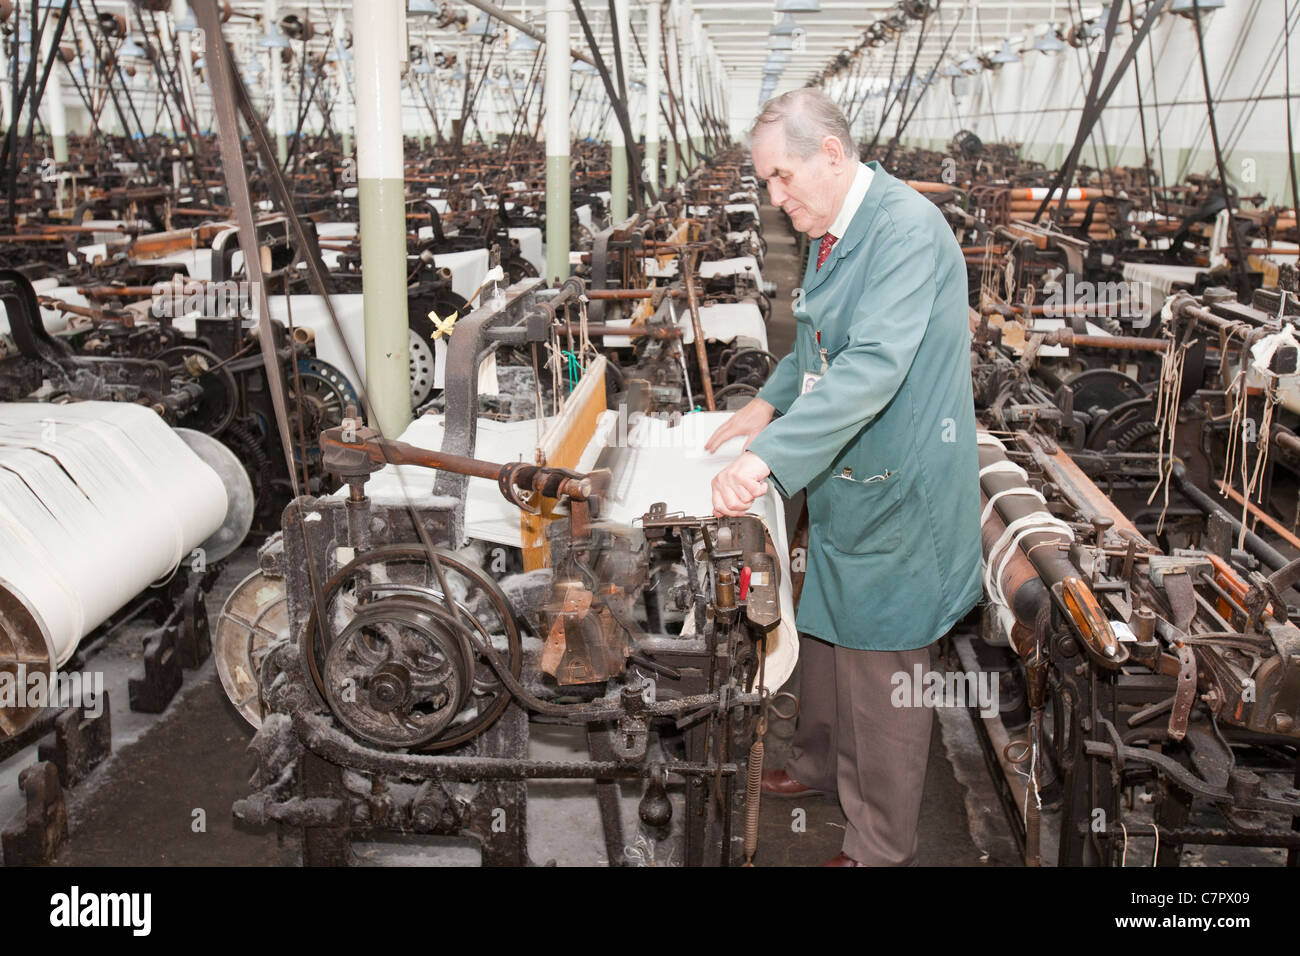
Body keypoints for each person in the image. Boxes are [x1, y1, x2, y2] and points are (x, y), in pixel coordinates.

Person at [706, 88, 982, 866]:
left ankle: (879, 843)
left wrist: (767, 461)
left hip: (900, 495)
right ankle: (819, 765)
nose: (774, 196)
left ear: (832, 154)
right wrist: (766, 405)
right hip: (847, 481)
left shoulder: (904, 234)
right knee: (824, 636)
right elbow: (819, 346)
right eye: (765, 181)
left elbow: (869, 370)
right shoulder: (833, 232)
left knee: (884, 675)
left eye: (782, 176)